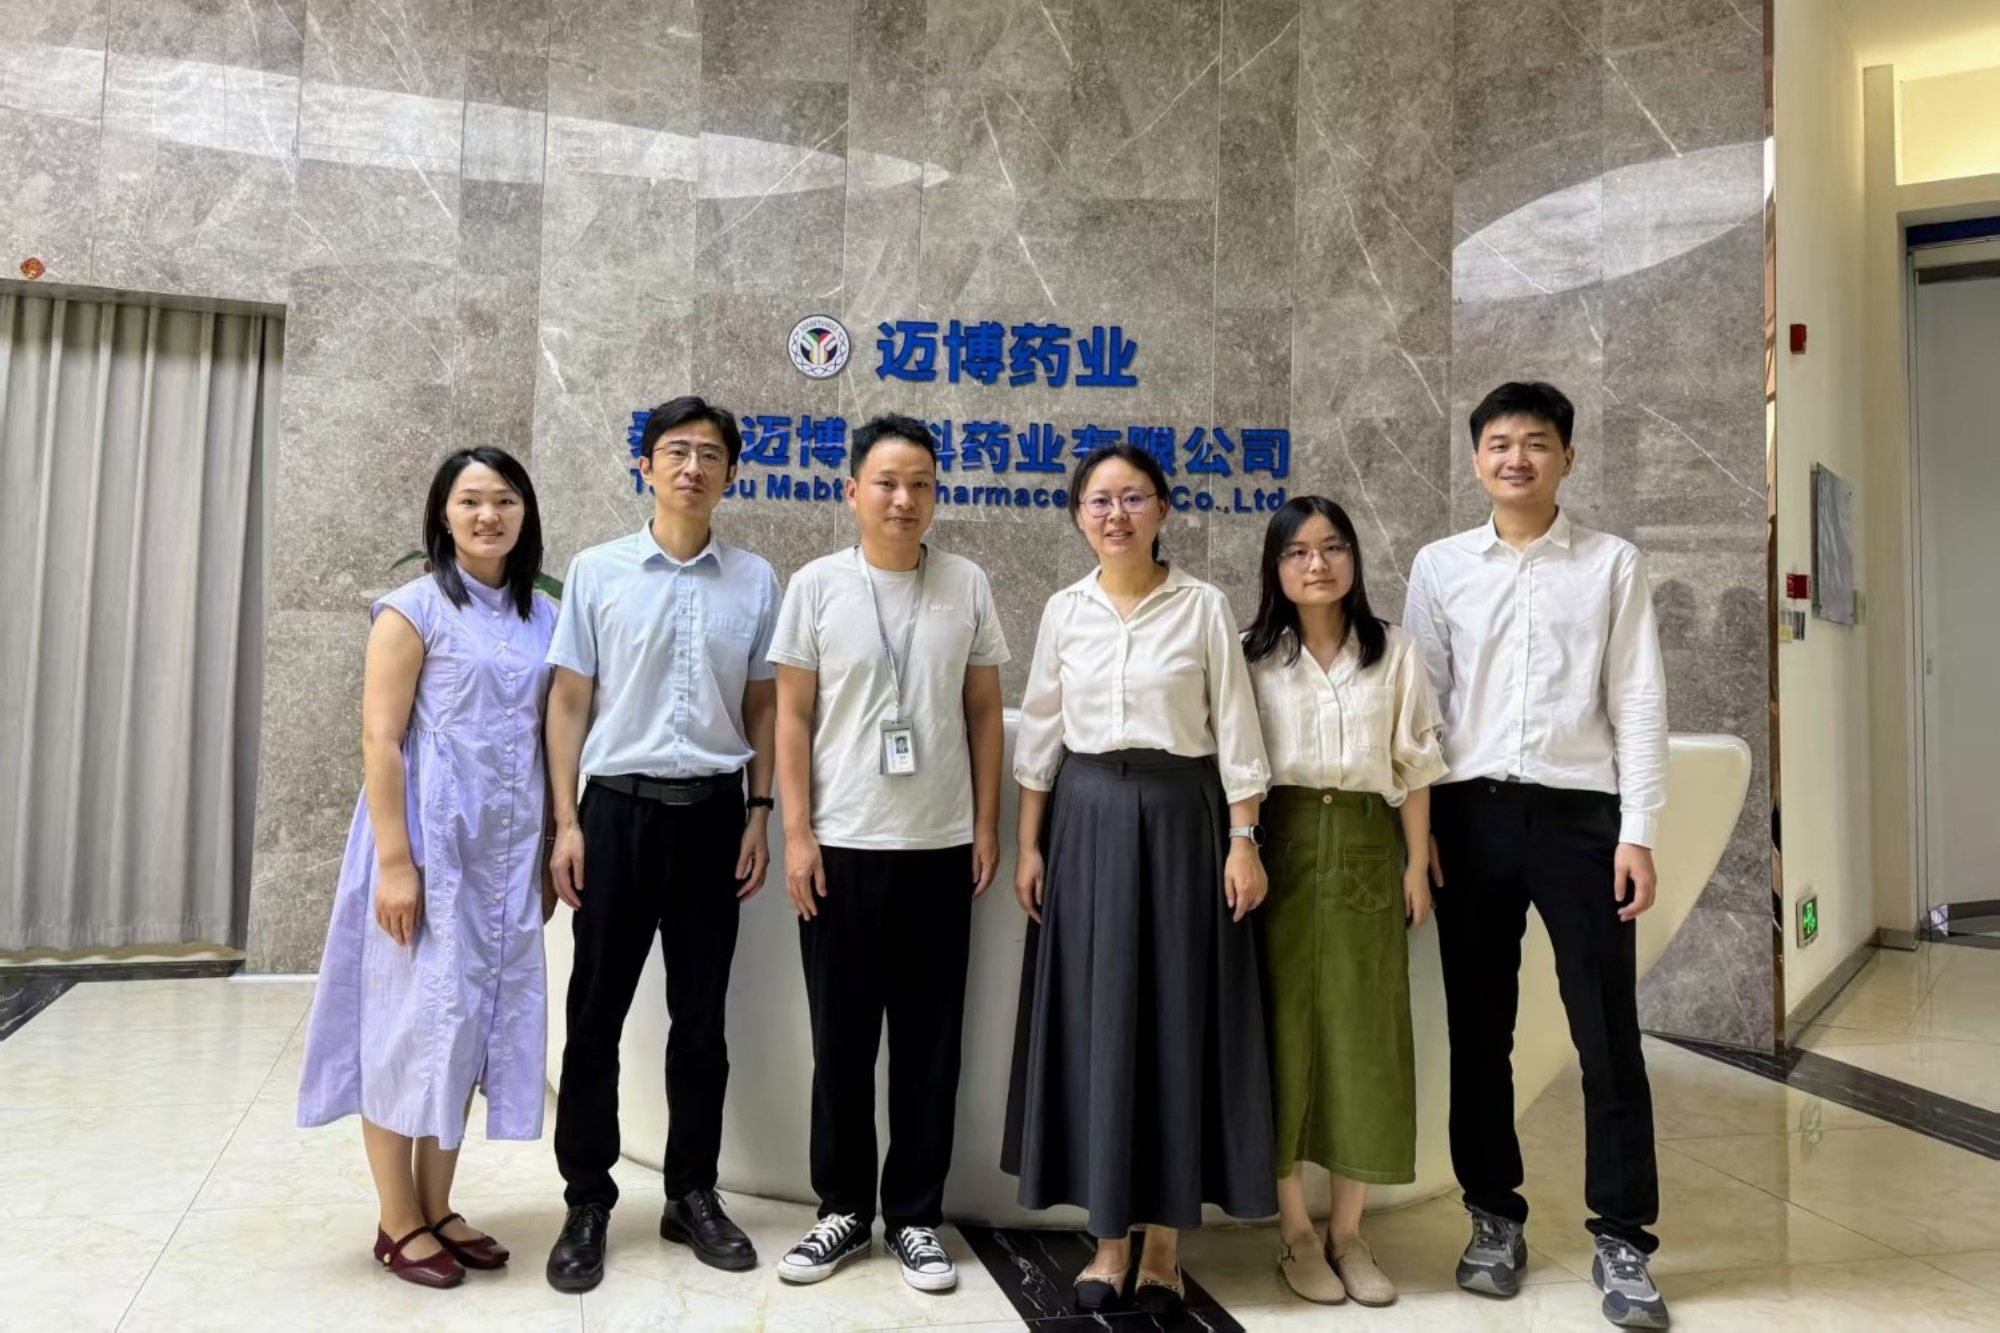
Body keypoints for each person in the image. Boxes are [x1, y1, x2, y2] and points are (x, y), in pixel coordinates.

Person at [1402, 382, 1670, 1331]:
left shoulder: (1611, 563)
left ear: (1568, 457)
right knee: (1480, 1031)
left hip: (1581, 821)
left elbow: (1638, 698)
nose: (1517, 458)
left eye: (1538, 442)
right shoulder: (1440, 565)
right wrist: (1420, 833)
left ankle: (1624, 1237)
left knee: (1608, 1031)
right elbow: (1422, 707)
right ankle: (1492, 1215)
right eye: (1500, 443)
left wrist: (1638, 830)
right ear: (1477, 458)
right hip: (1469, 818)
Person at [1002, 442, 1276, 1316]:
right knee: (1099, 1019)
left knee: (1175, 1017)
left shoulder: (1203, 606)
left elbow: (1237, 734)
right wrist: (1030, 847)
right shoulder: (1065, 609)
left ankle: (1163, 1242)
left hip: (1185, 822)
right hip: (1086, 820)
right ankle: (1109, 1239)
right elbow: (1040, 737)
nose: (1115, 514)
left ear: (1163, 508)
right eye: (1099, 500)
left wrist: (1243, 840)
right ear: (1079, 514)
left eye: (1132, 498)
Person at [297, 446, 557, 1290]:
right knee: (406, 1025)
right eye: (471, 499)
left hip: (503, 853)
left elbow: (551, 738)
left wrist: (548, 846)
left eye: (505, 499)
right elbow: (380, 738)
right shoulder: (411, 610)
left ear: (525, 513)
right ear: (442, 514)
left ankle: (438, 1205)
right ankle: (396, 1217)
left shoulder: (544, 617)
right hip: (425, 847)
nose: (489, 515)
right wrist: (396, 863)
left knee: (467, 1026)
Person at [542, 396, 781, 1293]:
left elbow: (762, 702)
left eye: (710, 454)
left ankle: (691, 1192)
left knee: (702, 1021)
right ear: (644, 465)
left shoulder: (755, 579)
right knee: (594, 1017)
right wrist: (567, 821)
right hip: (616, 814)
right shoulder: (597, 570)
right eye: (676, 451)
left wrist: (759, 812)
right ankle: (587, 1200)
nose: (692, 467)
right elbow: (570, 698)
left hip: (714, 816)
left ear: (731, 473)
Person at [767, 414, 1009, 1292]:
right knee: (840, 1044)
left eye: (920, 484)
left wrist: (987, 824)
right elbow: (793, 716)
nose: (904, 499)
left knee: (929, 1048)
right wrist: (796, 833)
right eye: (887, 482)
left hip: (939, 848)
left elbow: (985, 710)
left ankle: (914, 1217)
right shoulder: (817, 585)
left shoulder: (966, 583)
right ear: (853, 491)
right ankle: (840, 1208)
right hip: (841, 847)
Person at [1243, 496, 1447, 1309]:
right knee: (1280, 1035)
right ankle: (1296, 1231)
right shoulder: (1253, 656)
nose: (1317, 564)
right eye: (1297, 552)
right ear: (1276, 568)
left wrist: (1416, 862)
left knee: (1366, 1036)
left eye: (1332, 548)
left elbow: (1416, 765)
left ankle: (1350, 1233)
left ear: (1354, 559)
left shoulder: (1393, 651)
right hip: (1279, 847)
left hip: (1367, 842)